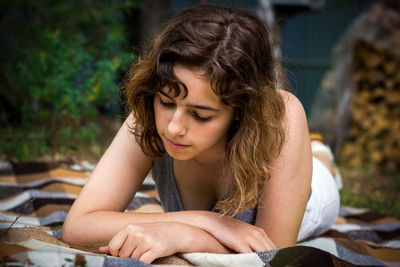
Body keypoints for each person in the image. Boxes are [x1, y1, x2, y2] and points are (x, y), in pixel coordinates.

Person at [61, 4, 341, 264]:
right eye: (167, 103)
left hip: (314, 197)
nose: (173, 127)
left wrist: (183, 235)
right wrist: (209, 222)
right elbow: (77, 227)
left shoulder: (280, 116)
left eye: (201, 115)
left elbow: (272, 253)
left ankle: (319, 153)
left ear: (240, 111)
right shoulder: (151, 113)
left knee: (322, 169)